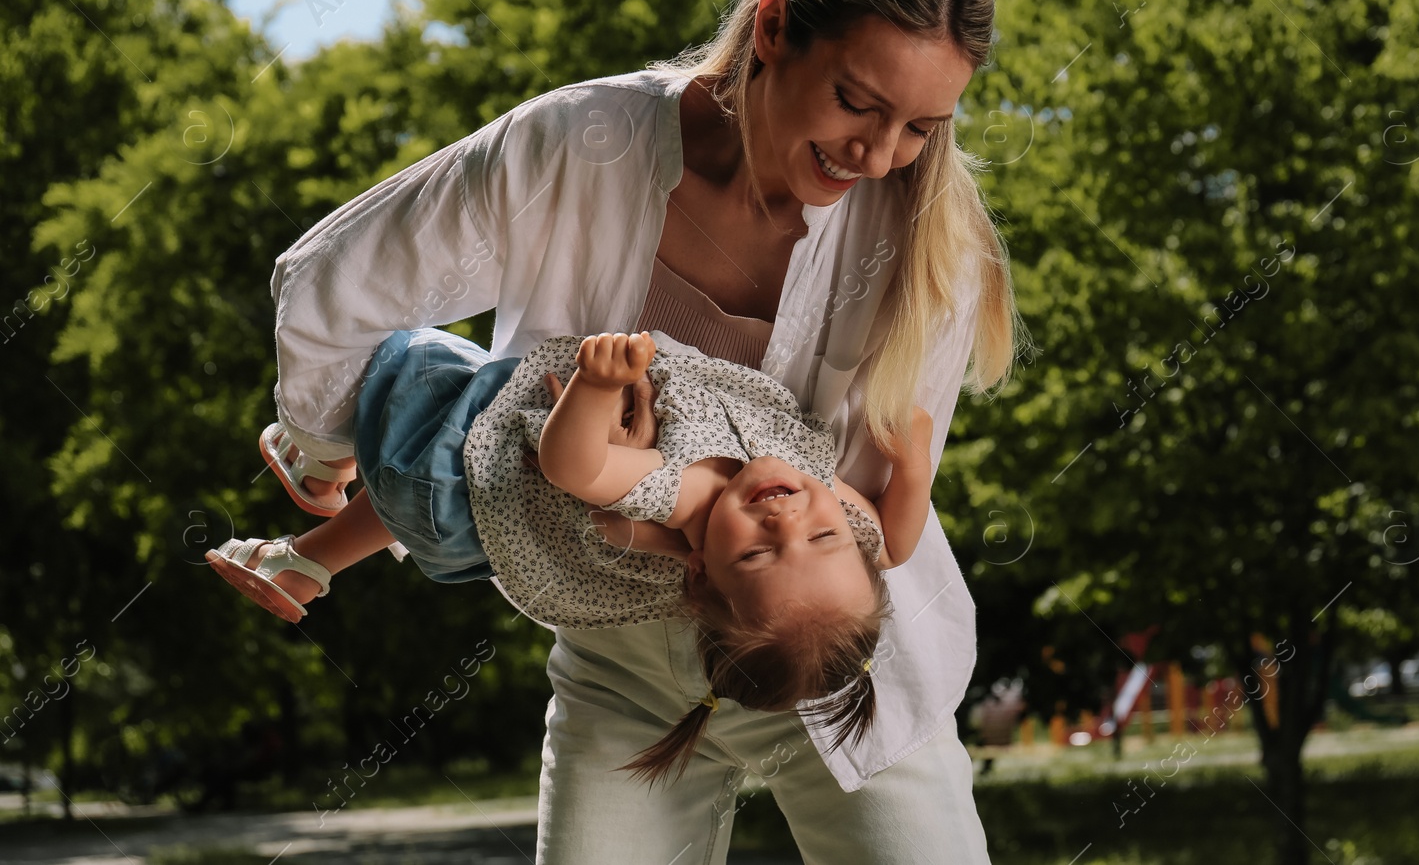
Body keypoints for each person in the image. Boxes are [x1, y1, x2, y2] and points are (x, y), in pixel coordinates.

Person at [263, 0, 1024, 862]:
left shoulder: (929, 248)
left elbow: (877, 506)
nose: (879, 155)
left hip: (833, 662)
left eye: (921, 126)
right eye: (856, 102)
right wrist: (327, 439)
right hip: (622, 670)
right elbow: (333, 281)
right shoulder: (577, 145)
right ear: (775, 26)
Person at [209, 328, 934, 778]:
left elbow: (574, 467)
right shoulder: (842, 520)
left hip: (457, 468)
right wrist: (917, 465)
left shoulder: (681, 494)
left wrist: (595, 386)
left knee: (402, 361)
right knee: (406, 494)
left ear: (701, 568)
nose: (787, 517)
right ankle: (305, 561)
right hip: (468, 515)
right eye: (822, 534)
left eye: (757, 556)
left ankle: (323, 452)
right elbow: (896, 542)